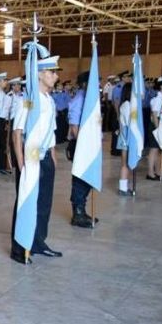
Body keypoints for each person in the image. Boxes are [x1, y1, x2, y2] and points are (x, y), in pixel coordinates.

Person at [10, 55, 63, 264]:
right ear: (40, 74)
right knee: (25, 202)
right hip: (30, 159)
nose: (56, 76)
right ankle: (19, 248)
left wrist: (53, 156)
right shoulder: (29, 100)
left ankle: (38, 243)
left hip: (46, 158)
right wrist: (21, 163)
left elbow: (51, 132)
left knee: (43, 204)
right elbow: (17, 133)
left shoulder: (50, 99)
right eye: (52, 72)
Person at [67, 71, 97, 228]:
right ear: (85, 84)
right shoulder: (79, 99)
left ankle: (82, 210)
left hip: (88, 144)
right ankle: (77, 213)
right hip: (80, 145)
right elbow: (74, 127)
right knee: (80, 178)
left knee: (88, 178)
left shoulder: (89, 99)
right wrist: (83, 145)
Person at [117, 82, 136, 196]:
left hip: (127, 134)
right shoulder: (127, 105)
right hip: (126, 136)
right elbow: (130, 122)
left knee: (127, 163)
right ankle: (123, 188)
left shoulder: (127, 104)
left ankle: (124, 187)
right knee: (125, 164)